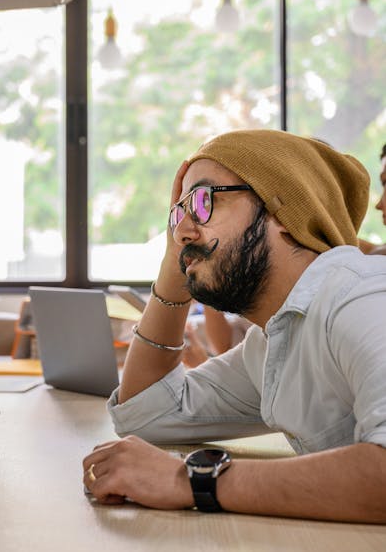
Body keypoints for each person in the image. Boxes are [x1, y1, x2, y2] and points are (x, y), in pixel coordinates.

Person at [82, 129, 386, 523]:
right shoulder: (274, 342)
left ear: (282, 210)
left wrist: (189, 480)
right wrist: (175, 270)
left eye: (205, 201)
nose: (182, 232)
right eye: (180, 213)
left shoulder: (361, 295)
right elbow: (145, 414)